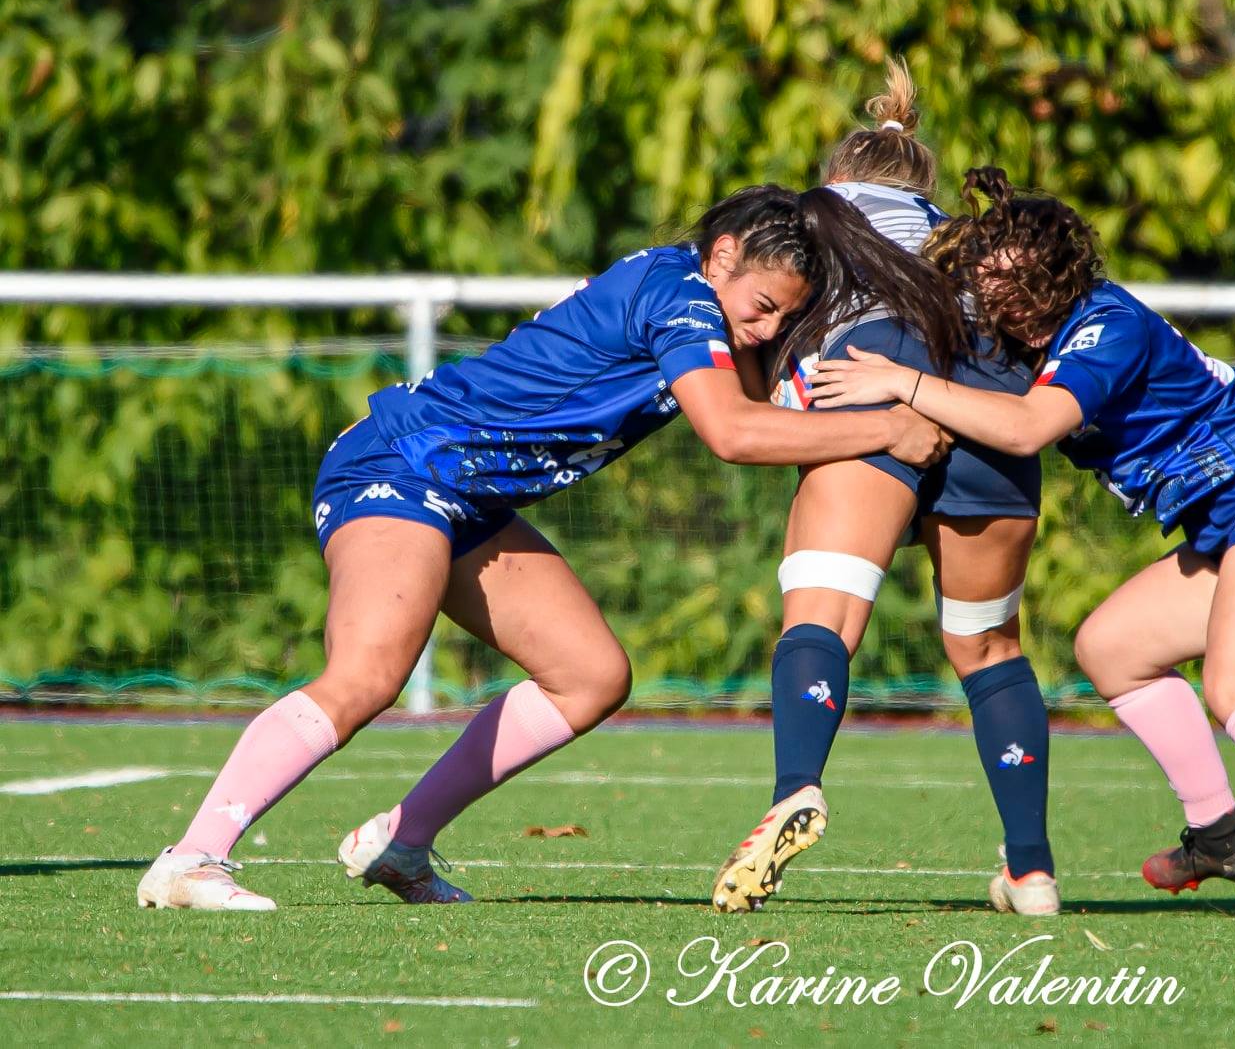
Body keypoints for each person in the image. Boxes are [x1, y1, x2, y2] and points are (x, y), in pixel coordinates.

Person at [135, 185, 950, 911]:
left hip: (468, 494)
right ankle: (192, 856)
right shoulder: (681, 297)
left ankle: (402, 840)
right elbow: (733, 432)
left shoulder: (692, 292)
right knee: (369, 672)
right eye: (764, 306)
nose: (765, 329)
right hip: (401, 462)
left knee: (590, 674)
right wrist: (890, 427)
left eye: (782, 318)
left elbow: (760, 399)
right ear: (724, 254)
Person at [808, 167, 1235, 925]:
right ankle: (1220, 833)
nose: (1000, 303)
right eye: (991, 285)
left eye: (1016, 287)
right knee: (1112, 648)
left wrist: (901, 383)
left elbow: (1026, 428)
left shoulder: (1105, 324)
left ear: (1056, 278)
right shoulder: (1037, 331)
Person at [713, 65, 1059, 916]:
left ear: (837, 175)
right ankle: (1032, 870)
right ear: (922, 187)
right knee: (990, 648)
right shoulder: (963, 236)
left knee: (824, 616)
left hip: (871, 372)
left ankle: (796, 787)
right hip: (990, 392)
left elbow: (754, 341)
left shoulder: (806, 220)